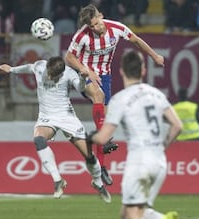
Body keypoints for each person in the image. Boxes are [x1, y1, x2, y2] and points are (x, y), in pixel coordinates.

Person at [65, 4, 165, 186]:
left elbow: (136, 40)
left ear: (101, 16)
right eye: (92, 26)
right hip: (85, 74)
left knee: (106, 115)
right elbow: (69, 57)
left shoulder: (117, 28)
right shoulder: (82, 35)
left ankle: (101, 167)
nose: (95, 28)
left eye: (96, 24)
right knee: (99, 96)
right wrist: (85, 69)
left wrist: (154, 55)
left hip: (105, 76)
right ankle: (104, 140)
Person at [87, 50, 182, 219]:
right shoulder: (156, 94)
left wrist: (88, 137)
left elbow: (103, 138)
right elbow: (177, 126)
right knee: (127, 213)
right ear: (143, 70)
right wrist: (161, 148)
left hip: (139, 162)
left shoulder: (119, 99)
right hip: (159, 162)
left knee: (133, 216)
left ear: (121, 71)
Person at [0, 56, 111, 203]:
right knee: (38, 139)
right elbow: (28, 67)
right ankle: (58, 180)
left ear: (61, 73)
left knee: (88, 155)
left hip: (67, 117)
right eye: (49, 73)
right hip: (46, 116)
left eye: (54, 75)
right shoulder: (40, 66)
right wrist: (12, 70)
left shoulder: (70, 73)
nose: (50, 77)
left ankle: (98, 183)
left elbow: (81, 88)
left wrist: (83, 78)